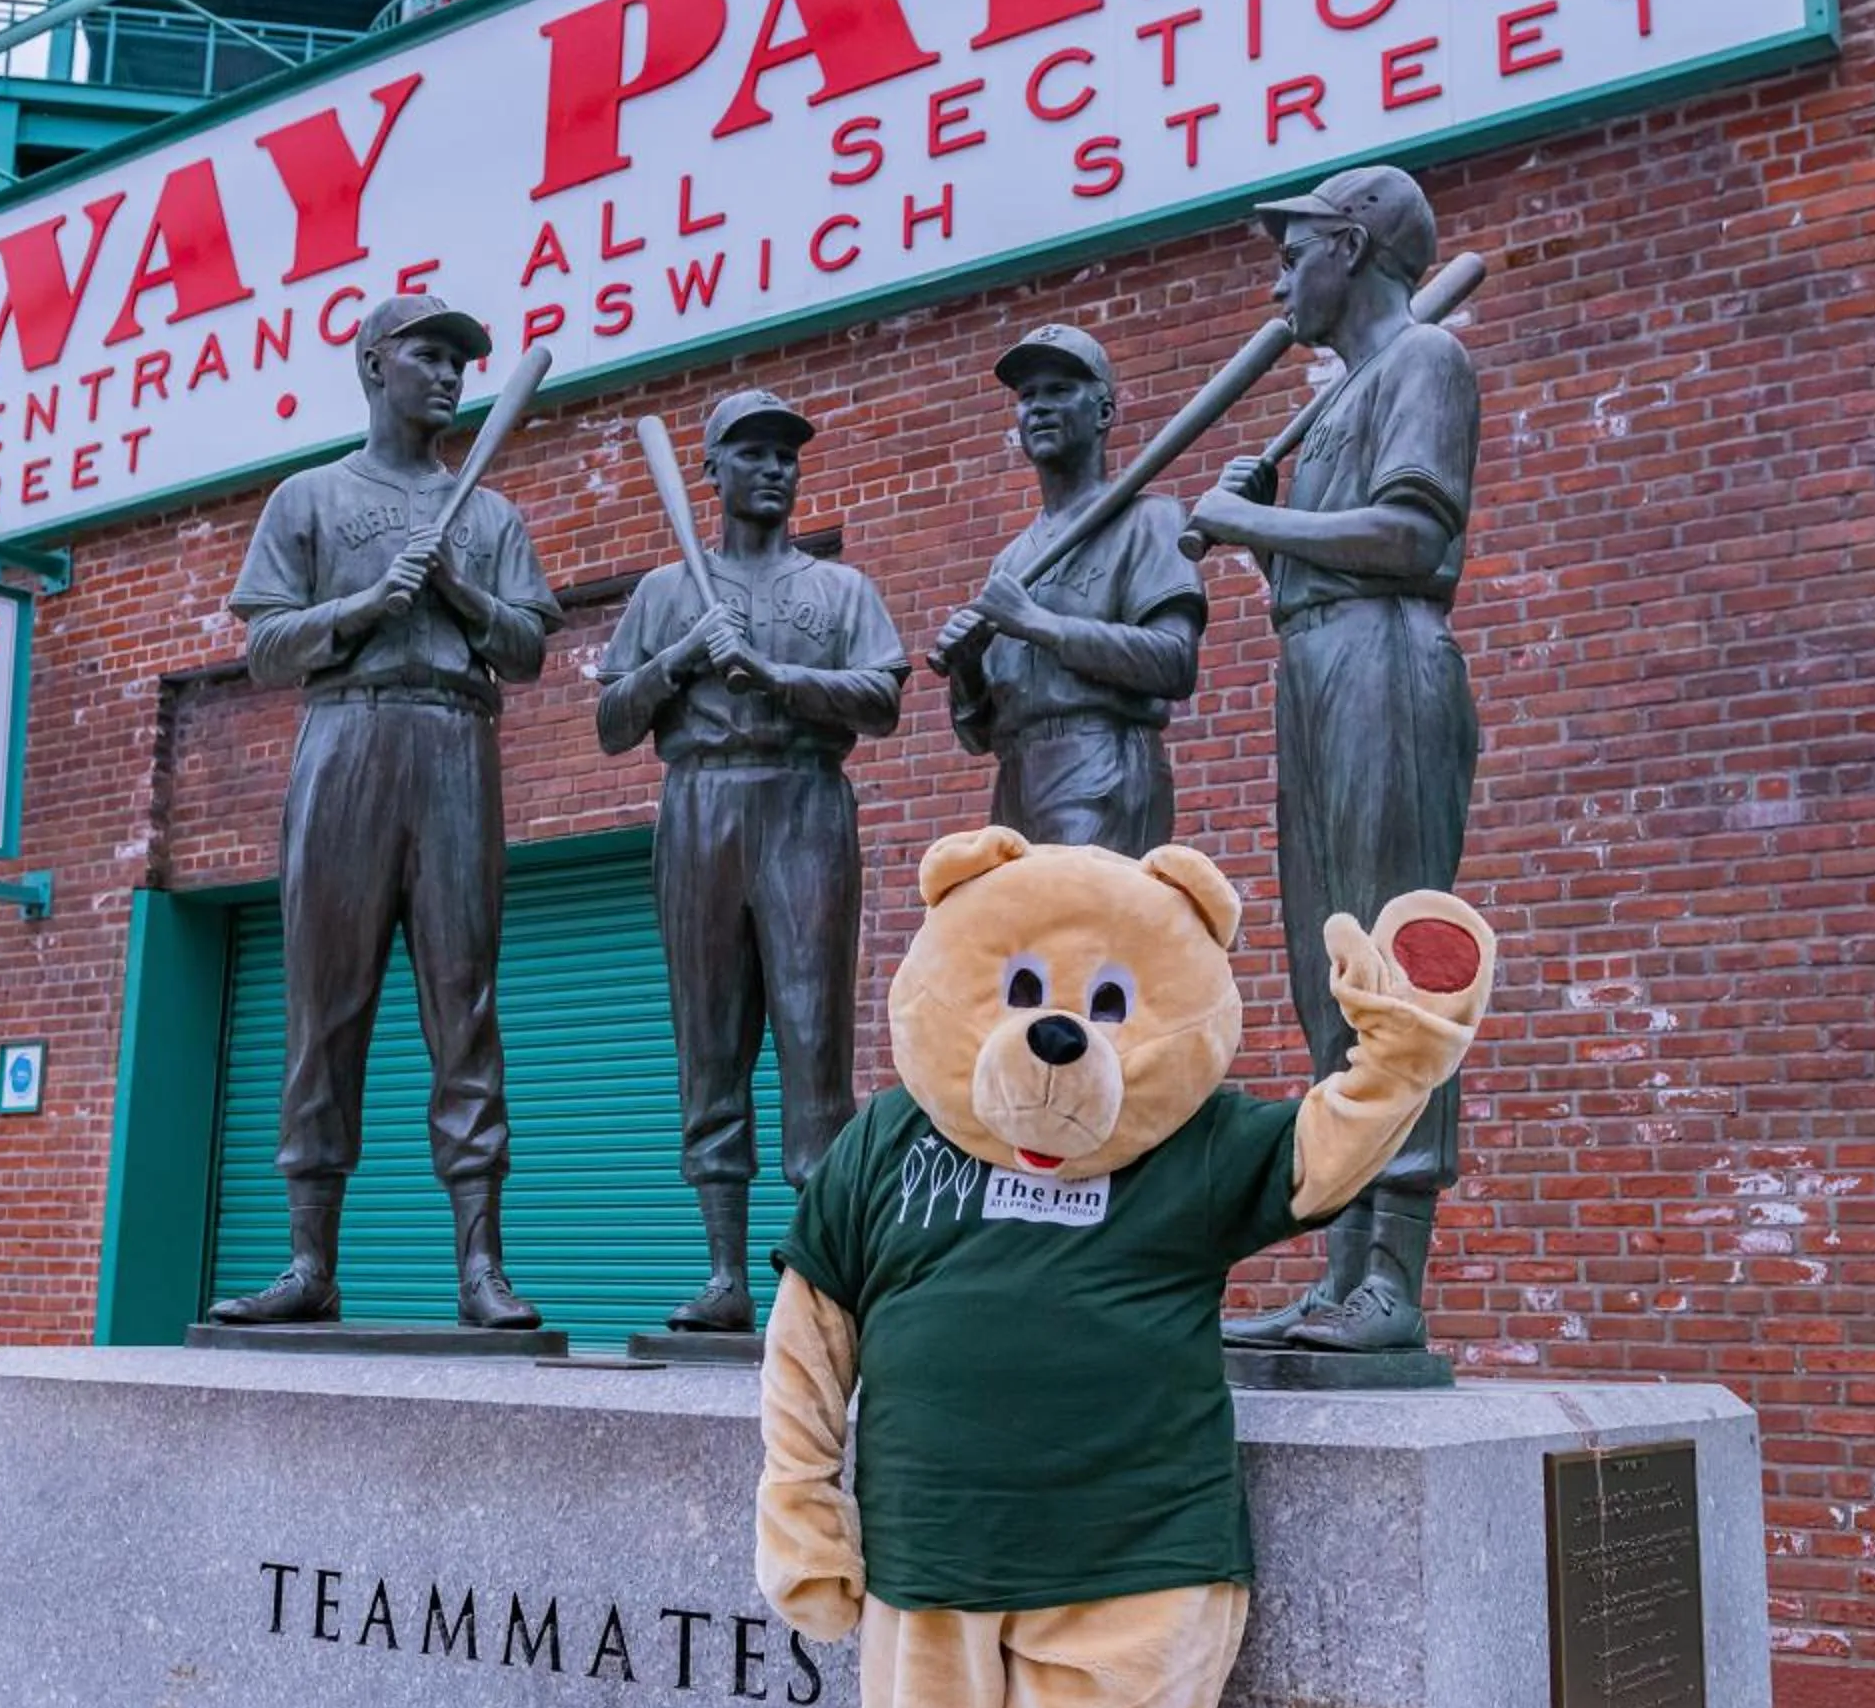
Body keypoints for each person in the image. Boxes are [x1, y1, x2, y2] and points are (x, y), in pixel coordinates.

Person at [213, 294, 562, 1331]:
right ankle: (310, 1261)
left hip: (454, 739)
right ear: (373, 364)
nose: (450, 375)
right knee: (324, 1010)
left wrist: (455, 589)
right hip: (344, 739)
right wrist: (360, 609)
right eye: (429, 354)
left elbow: (531, 649)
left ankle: (481, 1264)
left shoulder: (490, 516)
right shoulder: (310, 497)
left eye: (462, 361)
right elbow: (264, 648)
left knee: (467, 1008)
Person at [1189, 167, 1482, 1356]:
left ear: (1352, 248)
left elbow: (1412, 539)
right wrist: (1272, 528)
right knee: (1331, 970)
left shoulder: (1426, 363)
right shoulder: (1348, 394)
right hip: (1316, 662)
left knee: (1397, 965)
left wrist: (1246, 521)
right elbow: (1327, 560)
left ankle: (1394, 1283)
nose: (1279, 277)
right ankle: (1340, 1268)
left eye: (1295, 250)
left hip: (1387, 665)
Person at [595, 389, 907, 1334]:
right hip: (698, 804)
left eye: (786, 454)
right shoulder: (663, 594)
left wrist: (777, 677)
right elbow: (613, 722)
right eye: (753, 453)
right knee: (710, 1039)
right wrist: (683, 657)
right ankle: (725, 1274)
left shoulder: (838, 589)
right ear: (714, 472)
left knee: (814, 1037)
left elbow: (882, 700)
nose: (774, 468)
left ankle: (820, 1280)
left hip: (802, 797)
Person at [935, 326, 1207, 856]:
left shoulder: (1148, 520)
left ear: (1103, 411)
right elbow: (978, 736)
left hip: (1101, 760)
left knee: (1083, 936)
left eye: (1059, 391)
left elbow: (1175, 663)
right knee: (1022, 940)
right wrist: (967, 672)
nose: (1038, 408)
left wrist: (1039, 624)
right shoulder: (1012, 560)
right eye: (1028, 396)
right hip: (1016, 775)